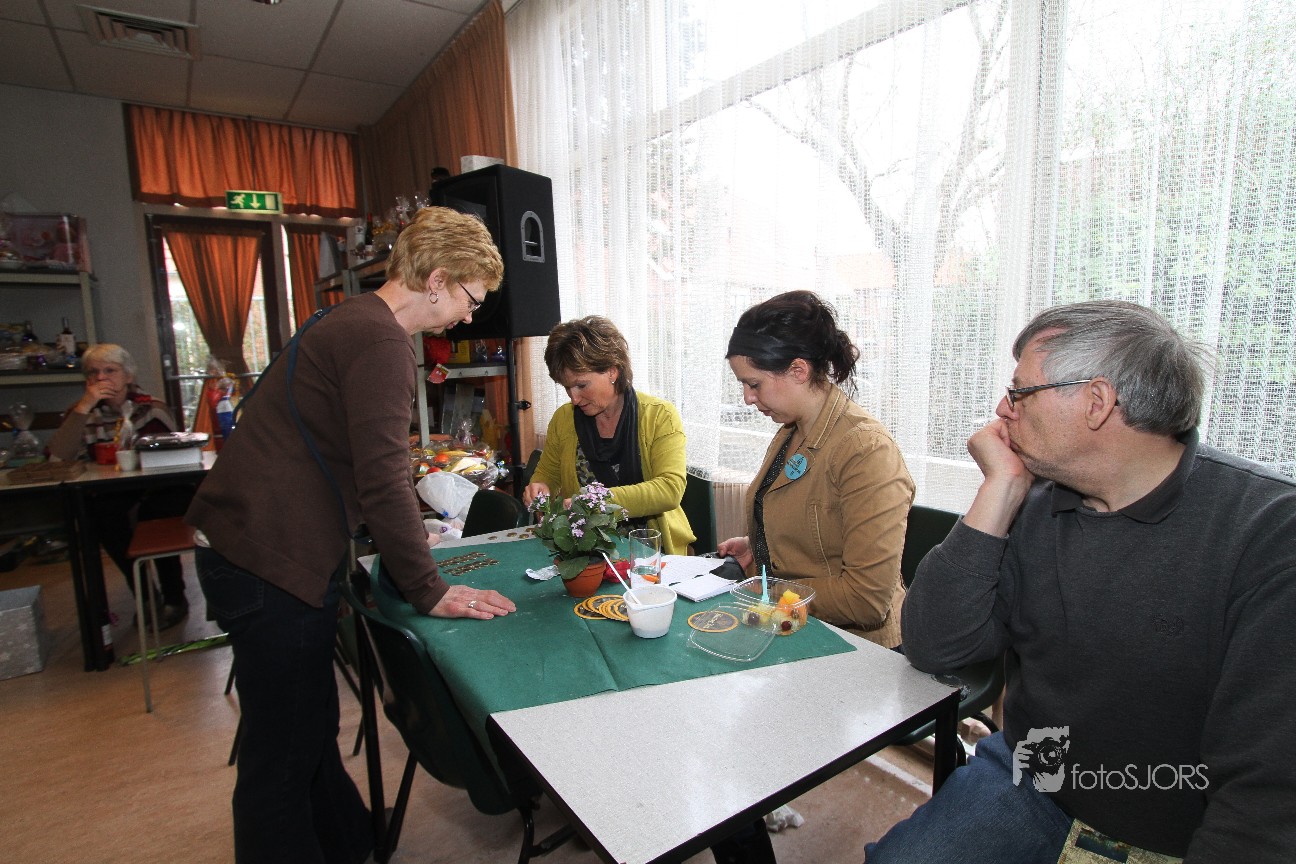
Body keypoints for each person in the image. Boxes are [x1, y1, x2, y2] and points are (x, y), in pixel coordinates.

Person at [868, 300, 1296, 862]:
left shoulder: (1268, 533)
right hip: (1034, 780)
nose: (1002, 408)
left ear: (1097, 402)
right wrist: (999, 490)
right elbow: (935, 646)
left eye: (1020, 392)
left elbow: (1267, 797)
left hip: (1178, 824)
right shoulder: (1035, 503)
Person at [185, 206, 517, 864]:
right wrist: (428, 588)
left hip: (245, 546)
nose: (468, 316)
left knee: (306, 724)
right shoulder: (382, 342)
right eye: (471, 298)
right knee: (280, 759)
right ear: (438, 280)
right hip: (270, 559)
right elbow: (383, 479)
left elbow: (357, 463)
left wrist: (406, 532)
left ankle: (348, 839)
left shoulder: (350, 318)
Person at [717, 291, 914, 648]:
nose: (747, 398)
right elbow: (818, 525)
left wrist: (768, 591)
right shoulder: (791, 432)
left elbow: (866, 600)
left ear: (798, 370)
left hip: (855, 648)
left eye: (754, 384)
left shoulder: (867, 451)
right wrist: (758, 546)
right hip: (797, 629)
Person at [48, 343, 192, 628]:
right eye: (93, 373)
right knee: (102, 516)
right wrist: (84, 407)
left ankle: (175, 596)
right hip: (111, 489)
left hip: (156, 486)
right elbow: (56, 459)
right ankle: (145, 594)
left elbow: (172, 454)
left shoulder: (152, 409)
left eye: (110, 370)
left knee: (160, 510)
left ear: (128, 376)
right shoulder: (80, 413)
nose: (101, 378)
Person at [524, 315, 695, 555]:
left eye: (581, 385)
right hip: (586, 553)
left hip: (653, 554)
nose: (574, 398)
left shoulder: (660, 416)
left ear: (613, 371)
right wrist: (540, 488)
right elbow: (548, 474)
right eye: (566, 387)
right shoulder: (564, 419)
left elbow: (669, 490)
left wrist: (597, 501)